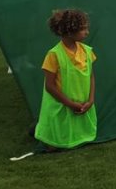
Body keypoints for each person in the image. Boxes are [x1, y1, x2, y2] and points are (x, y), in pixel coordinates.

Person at [34, 9, 97, 151]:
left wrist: (91, 100)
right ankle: (40, 132)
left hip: (82, 102)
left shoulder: (87, 51)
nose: (87, 32)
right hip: (62, 104)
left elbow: (91, 76)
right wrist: (69, 104)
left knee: (79, 138)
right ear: (69, 32)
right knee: (53, 145)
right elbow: (49, 86)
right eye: (83, 29)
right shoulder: (54, 55)